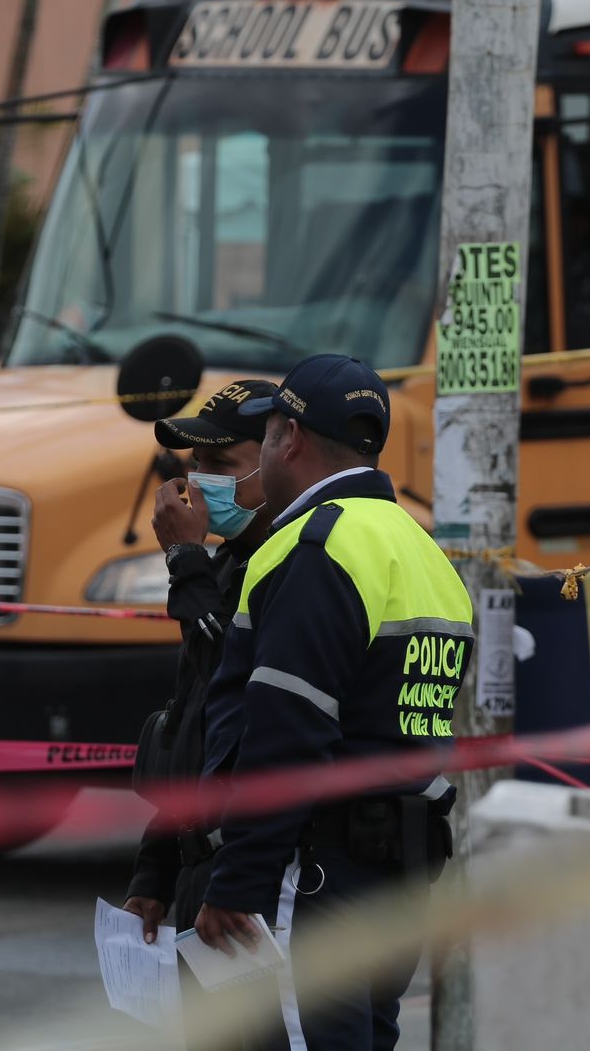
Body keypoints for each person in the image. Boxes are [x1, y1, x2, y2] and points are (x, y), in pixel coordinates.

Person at [192, 354, 473, 1050]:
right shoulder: (420, 551)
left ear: (287, 436)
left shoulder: (314, 548)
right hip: (393, 881)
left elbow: (288, 736)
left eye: (266, 438)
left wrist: (236, 883)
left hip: (314, 878)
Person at [122, 379, 278, 953]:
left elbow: (234, 688)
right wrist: (155, 870)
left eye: (221, 462)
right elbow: (194, 726)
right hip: (197, 874)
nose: (199, 480)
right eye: (195, 463)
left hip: (244, 883)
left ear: (278, 456)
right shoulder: (224, 566)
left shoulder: (289, 568)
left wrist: (183, 559)